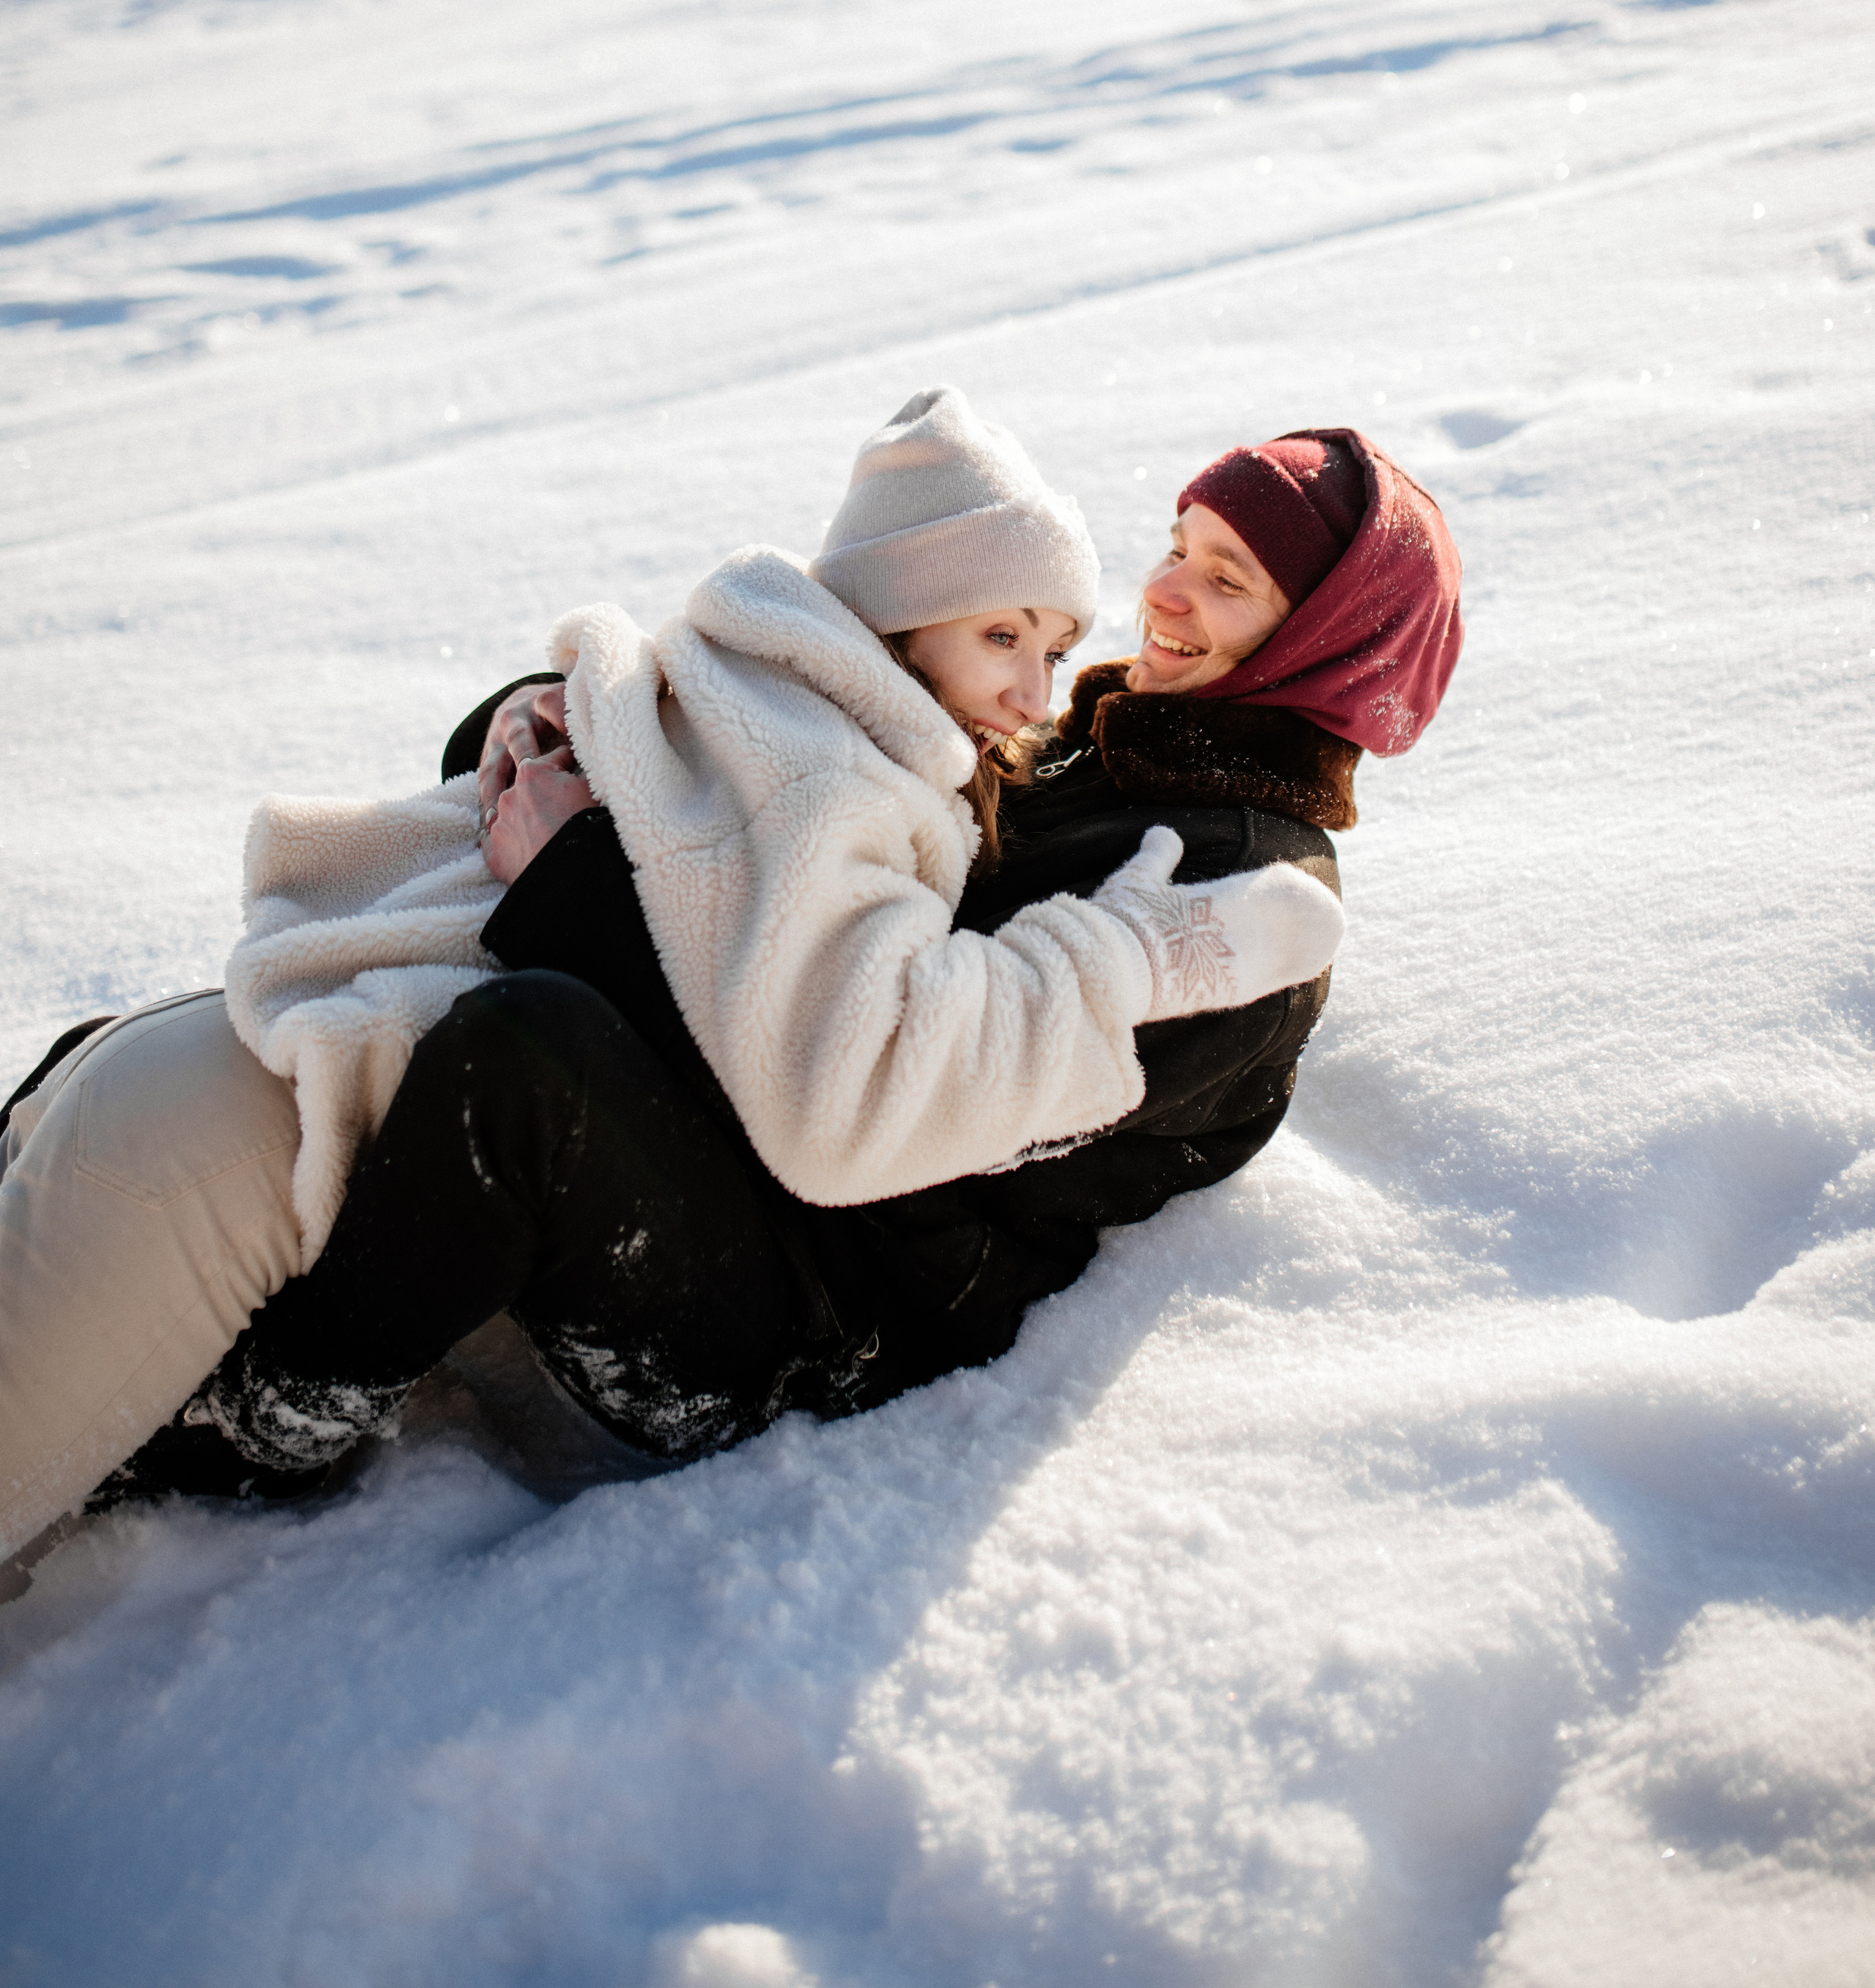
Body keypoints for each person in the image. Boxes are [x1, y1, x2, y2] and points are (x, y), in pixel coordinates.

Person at [0, 391, 1351, 1557]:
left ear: (1328, 641)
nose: (1159, 597)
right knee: (124, 1062)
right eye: (1177, 548)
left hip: (844, 1299)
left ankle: (277, 1417)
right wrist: (555, 732)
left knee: (519, 1061)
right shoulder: (1094, 733)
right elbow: (743, 812)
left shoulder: (1235, 895)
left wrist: (573, 882)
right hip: (771, 1154)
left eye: (1226, 580)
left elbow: (866, 1114)